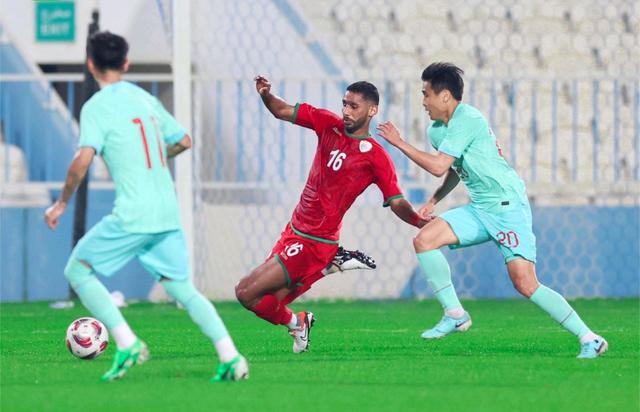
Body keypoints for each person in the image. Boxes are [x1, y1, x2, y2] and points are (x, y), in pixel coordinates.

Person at [44, 31, 249, 381]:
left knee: (77, 270)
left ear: (90, 64)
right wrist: (151, 156)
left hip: (133, 214)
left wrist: (61, 203)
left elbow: (82, 161)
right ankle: (232, 357)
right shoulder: (144, 98)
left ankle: (127, 343)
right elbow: (184, 141)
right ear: (126, 63)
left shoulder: (95, 106)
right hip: (166, 212)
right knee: (183, 290)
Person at [377, 62, 607, 358]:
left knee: (525, 283)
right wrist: (435, 200)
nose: (423, 102)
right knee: (424, 240)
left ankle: (590, 338)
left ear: (444, 96)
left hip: (507, 207)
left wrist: (399, 143)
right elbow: (454, 168)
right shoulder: (437, 131)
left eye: (426, 94)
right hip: (480, 208)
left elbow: (438, 166)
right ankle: (455, 313)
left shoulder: (468, 118)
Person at [235, 76, 426, 353]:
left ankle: (318, 281)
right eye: (345, 104)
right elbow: (282, 110)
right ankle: (302, 316)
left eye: (354, 106)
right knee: (268, 300)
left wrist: (418, 221)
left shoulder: (376, 157)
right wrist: (266, 94)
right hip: (294, 230)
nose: (346, 111)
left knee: (245, 292)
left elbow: (396, 201)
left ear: (372, 110)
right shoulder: (327, 124)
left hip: (315, 241)